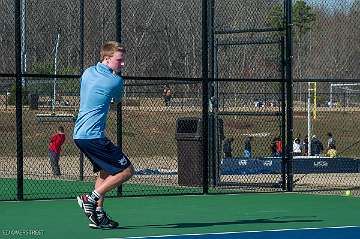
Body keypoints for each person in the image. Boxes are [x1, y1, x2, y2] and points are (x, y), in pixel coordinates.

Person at [73, 41, 135, 229]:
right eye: (119, 60)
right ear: (107, 59)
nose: (122, 64)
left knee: (105, 170)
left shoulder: (87, 72)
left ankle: (98, 214)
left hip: (79, 135)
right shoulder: (116, 81)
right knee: (127, 171)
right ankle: (89, 199)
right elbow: (116, 100)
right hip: (93, 136)